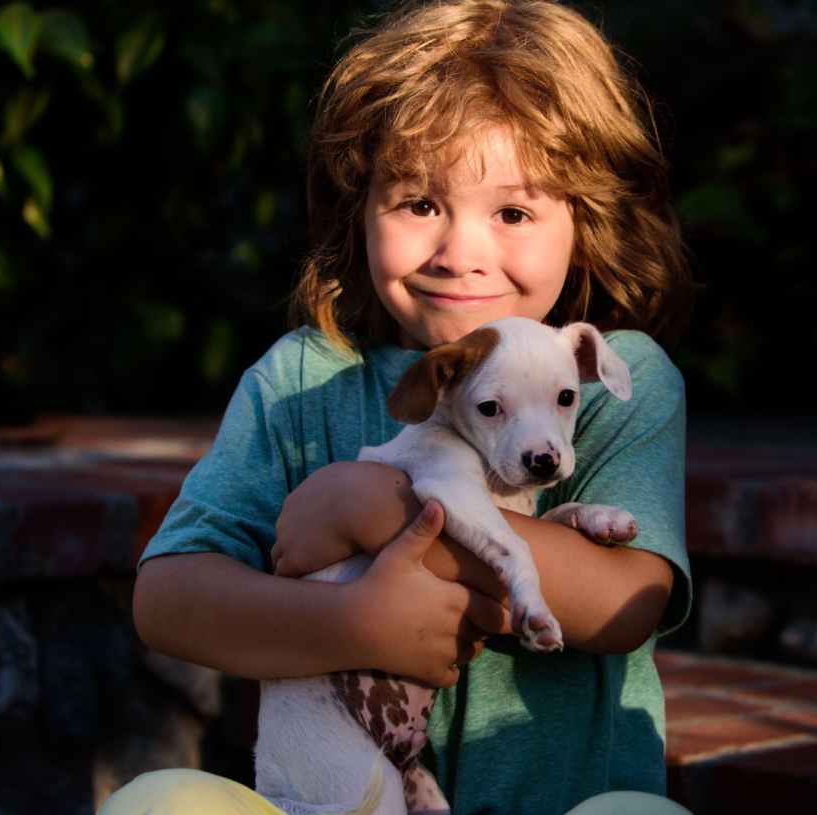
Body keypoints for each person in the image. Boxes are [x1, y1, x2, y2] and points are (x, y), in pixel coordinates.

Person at [106, 1, 695, 813]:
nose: (460, 252)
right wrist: (354, 622)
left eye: (514, 212)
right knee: (155, 802)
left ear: (585, 222)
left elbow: (628, 602)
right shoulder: (301, 381)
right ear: (360, 211)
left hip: (560, 803)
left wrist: (371, 503)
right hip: (339, 798)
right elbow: (167, 599)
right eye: (419, 204)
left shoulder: (606, 376)